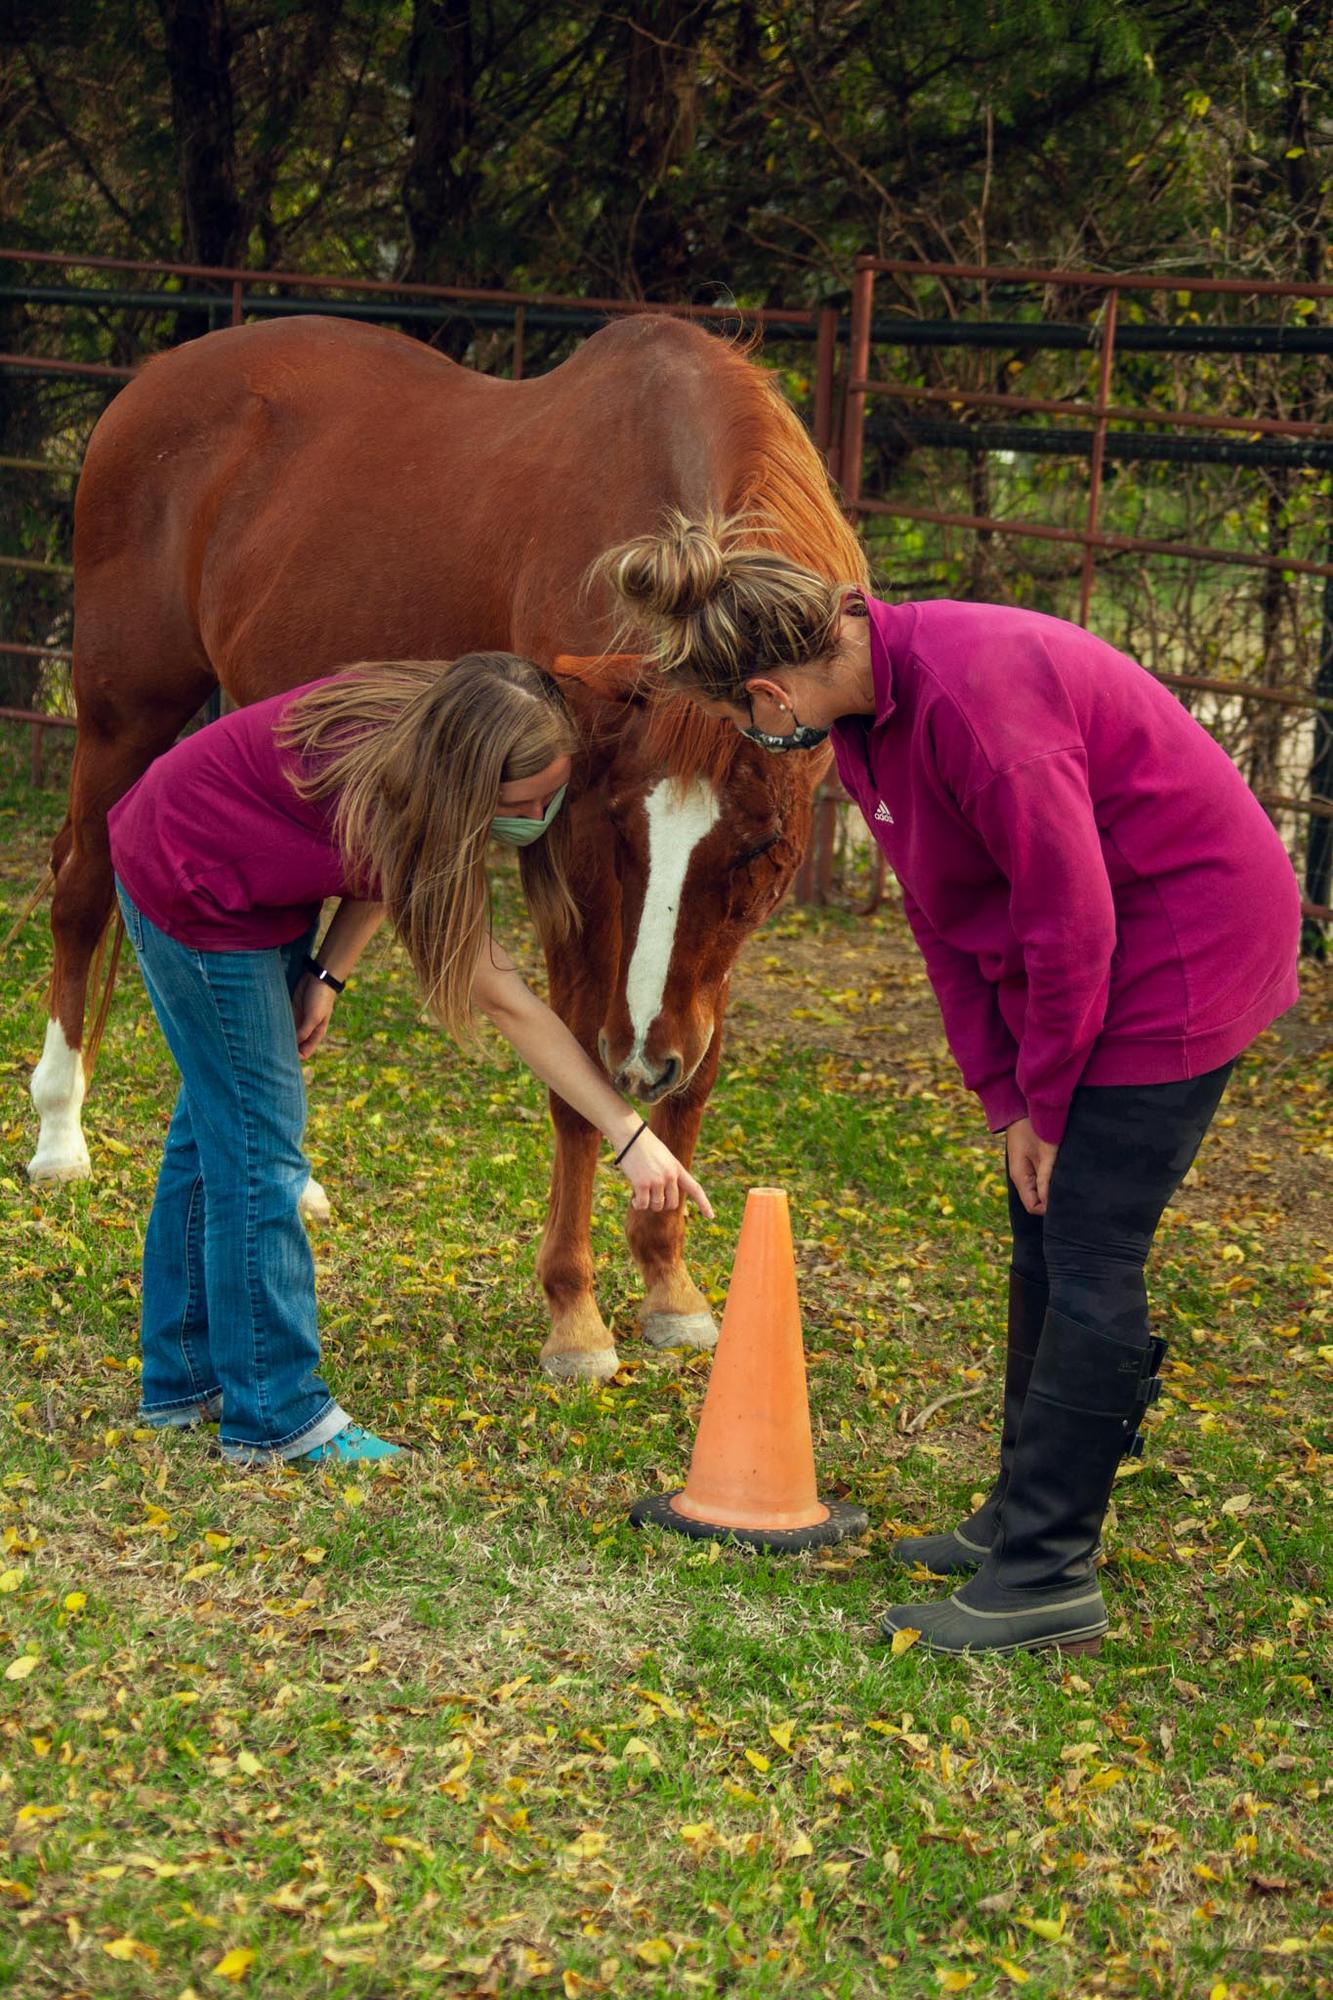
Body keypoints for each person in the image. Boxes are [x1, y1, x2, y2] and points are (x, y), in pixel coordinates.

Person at [597, 513, 1301, 1656]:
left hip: (1185, 937)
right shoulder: (866, 721)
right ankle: (1019, 1513)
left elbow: (1072, 923)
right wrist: (1009, 1099)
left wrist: (1054, 1105)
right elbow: (942, 917)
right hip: (1096, 941)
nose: (754, 736)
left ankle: (1049, 1574)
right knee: (1038, 1219)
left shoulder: (977, 702)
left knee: (1090, 1240)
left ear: (770, 695)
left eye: (741, 720)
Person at [108, 654, 711, 1469]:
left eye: (549, 795)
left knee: (217, 1125)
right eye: (519, 804)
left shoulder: (434, 737)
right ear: (463, 785)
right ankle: (275, 1418)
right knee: (258, 1147)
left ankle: (181, 1383)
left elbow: (379, 864)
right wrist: (628, 1133)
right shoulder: (395, 790)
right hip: (191, 884)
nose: (537, 816)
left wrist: (328, 973)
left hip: (258, 875)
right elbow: (505, 998)